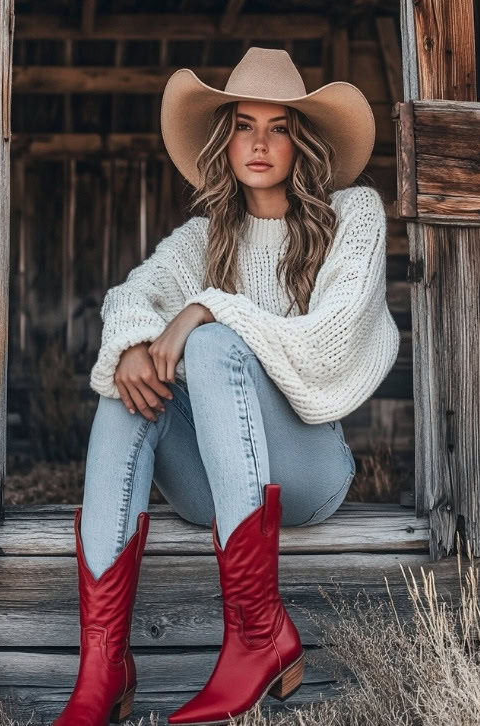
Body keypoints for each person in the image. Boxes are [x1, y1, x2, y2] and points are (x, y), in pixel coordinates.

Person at [51, 47, 400, 726]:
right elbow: (132, 294)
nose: (261, 142)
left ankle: (255, 635)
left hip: (306, 471)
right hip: (213, 486)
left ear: (302, 142)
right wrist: (129, 344)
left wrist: (208, 309)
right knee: (130, 380)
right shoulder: (205, 237)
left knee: (208, 343)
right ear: (226, 139)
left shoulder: (352, 215)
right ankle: (102, 666)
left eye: (279, 127)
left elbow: (329, 341)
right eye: (245, 124)